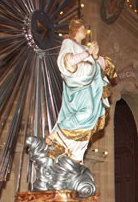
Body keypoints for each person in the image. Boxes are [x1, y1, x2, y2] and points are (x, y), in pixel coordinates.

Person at [46, 18, 116, 162]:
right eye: (83, 27)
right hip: (77, 89)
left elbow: (99, 66)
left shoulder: (85, 48)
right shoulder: (68, 43)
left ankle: (75, 155)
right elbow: (67, 62)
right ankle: (57, 132)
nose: (85, 30)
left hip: (88, 89)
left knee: (90, 119)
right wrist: (87, 54)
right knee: (86, 113)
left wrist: (95, 55)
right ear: (75, 29)